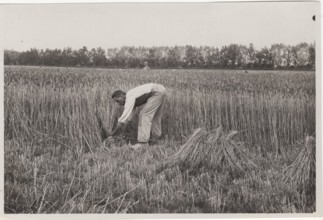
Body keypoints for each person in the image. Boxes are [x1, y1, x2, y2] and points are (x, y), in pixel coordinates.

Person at [106, 83, 166, 150]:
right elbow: (128, 119)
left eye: (117, 100)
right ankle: (156, 139)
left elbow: (122, 119)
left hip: (155, 92)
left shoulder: (129, 97)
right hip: (160, 90)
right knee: (155, 116)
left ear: (121, 96)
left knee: (143, 115)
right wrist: (122, 132)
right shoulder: (132, 99)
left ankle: (143, 143)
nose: (118, 103)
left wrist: (112, 133)